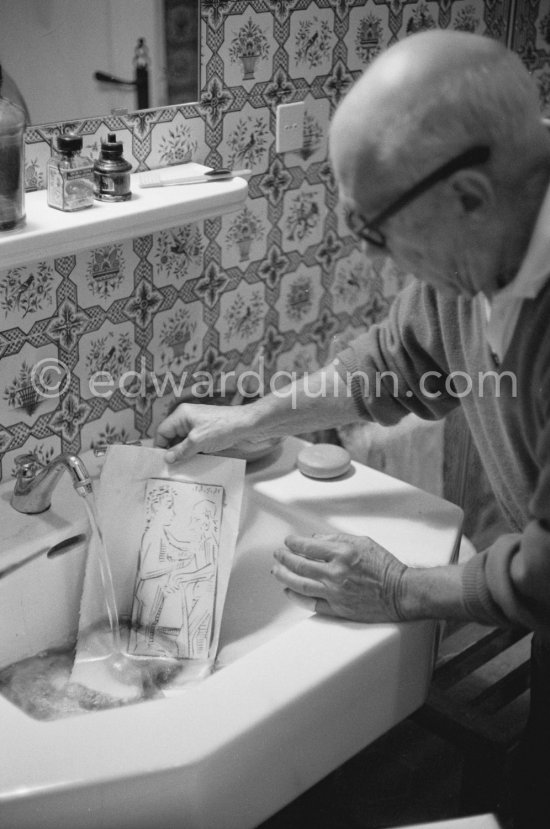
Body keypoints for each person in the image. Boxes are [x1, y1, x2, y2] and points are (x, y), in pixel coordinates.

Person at [155, 30, 550, 827]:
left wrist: (402, 588)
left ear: (469, 195)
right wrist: (250, 416)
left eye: (377, 232)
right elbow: (389, 363)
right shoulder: (481, 248)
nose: (379, 264)